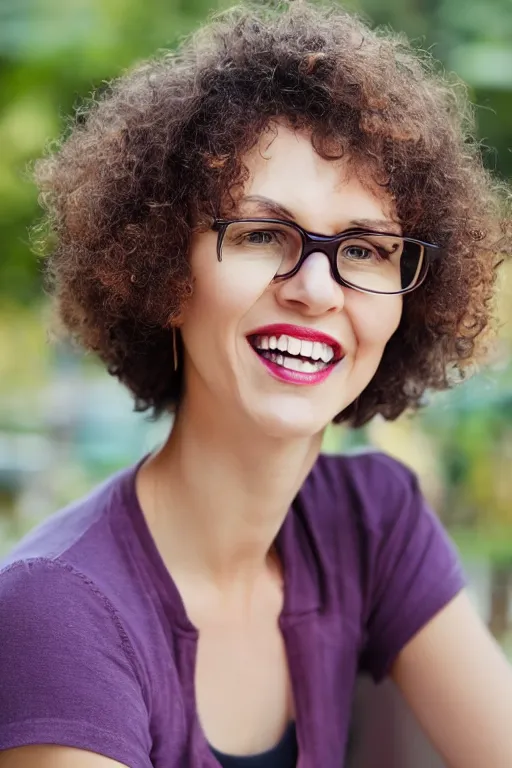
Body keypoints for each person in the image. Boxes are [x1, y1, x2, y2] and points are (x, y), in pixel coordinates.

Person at [1, 1, 512, 767]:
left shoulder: (372, 525)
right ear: (166, 271)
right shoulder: (58, 610)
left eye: (367, 249)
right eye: (262, 234)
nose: (317, 288)